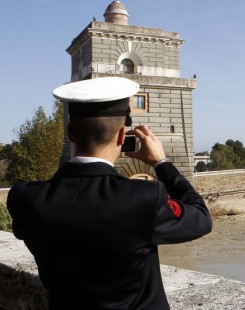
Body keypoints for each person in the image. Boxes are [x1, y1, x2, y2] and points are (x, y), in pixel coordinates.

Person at [7, 77, 212, 310]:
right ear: (122, 136)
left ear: (71, 133)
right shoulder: (143, 198)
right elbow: (201, 218)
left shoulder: (26, 199)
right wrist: (162, 163)